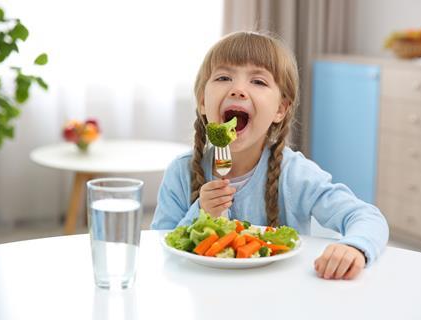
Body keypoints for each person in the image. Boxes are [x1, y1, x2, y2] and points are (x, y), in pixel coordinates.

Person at [151, 31, 389, 280]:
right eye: (224, 77)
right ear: (202, 102)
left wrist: (354, 247)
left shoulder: (295, 174)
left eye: (258, 82)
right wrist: (201, 212)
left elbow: (366, 217)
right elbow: (158, 246)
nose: (238, 90)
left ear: (280, 109)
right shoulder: (181, 172)